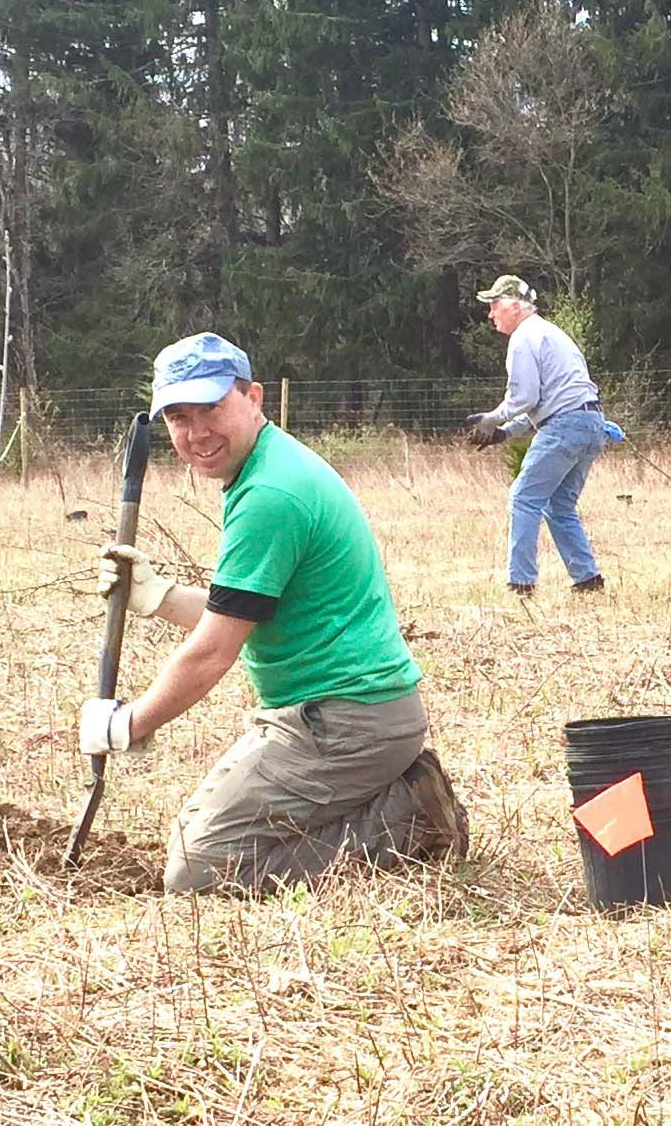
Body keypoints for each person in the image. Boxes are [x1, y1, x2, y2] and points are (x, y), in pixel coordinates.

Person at [92, 334, 468, 894]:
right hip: (339, 714)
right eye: (178, 417)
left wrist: (129, 723)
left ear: (254, 397)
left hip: (344, 722)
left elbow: (215, 651)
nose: (197, 434)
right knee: (196, 841)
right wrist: (159, 596)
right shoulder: (268, 466)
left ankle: (411, 815)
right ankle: (392, 800)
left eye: (212, 408)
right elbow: (251, 612)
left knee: (199, 872)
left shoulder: (270, 493)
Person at [461, 273, 618, 599]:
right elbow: (549, 403)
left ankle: (521, 585)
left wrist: (492, 419)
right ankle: (588, 581)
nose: (490, 315)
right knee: (559, 505)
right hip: (591, 425)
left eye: (494, 306)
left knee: (523, 497)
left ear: (515, 306)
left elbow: (525, 399)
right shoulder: (551, 333)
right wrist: (504, 434)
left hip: (565, 426)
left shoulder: (523, 339)